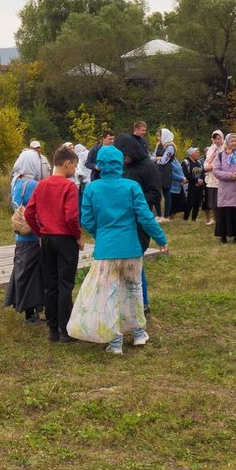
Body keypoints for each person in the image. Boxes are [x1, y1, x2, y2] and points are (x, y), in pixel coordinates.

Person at [68, 145, 168, 355]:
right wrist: (160, 237)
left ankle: (115, 341)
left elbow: (86, 219)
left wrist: (100, 235)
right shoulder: (131, 186)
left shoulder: (92, 188)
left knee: (109, 294)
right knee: (134, 289)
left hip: (106, 250)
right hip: (131, 247)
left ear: (100, 165)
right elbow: (144, 215)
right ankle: (139, 333)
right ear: (120, 162)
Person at [24, 145, 83, 344]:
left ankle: (52, 329)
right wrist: (77, 236)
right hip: (65, 238)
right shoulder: (69, 186)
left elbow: (28, 213)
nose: (75, 170)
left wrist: (40, 233)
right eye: (74, 166)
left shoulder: (40, 185)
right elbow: (72, 216)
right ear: (67, 163)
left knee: (50, 284)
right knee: (65, 284)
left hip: (47, 238)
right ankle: (66, 330)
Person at [3, 149, 44, 325]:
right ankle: (31, 312)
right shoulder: (33, 185)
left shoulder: (15, 183)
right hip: (32, 235)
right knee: (33, 275)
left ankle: (27, 310)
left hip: (20, 236)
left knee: (22, 271)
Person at [116, 121, 162, 217]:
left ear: (131, 152)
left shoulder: (149, 167)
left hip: (141, 213)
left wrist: (134, 198)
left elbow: (156, 195)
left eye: (124, 156)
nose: (123, 160)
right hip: (123, 215)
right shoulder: (123, 166)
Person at [153, 128, 176, 219]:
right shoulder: (159, 145)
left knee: (166, 193)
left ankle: (166, 216)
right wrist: (157, 158)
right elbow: (152, 157)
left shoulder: (170, 147)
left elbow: (163, 161)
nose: (158, 138)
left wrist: (157, 159)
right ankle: (158, 214)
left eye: (159, 136)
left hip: (166, 172)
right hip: (157, 171)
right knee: (157, 192)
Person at [203, 130, 224, 225]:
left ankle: (220, 218)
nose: (216, 140)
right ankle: (214, 218)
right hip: (210, 176)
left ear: (222, 138)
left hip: (219, 177)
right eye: (215, 138)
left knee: (219, 199)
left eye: (218, 138)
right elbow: (206, 160)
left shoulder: (225, 148)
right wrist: (206, 166)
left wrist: (213, 166)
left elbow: (223, 161)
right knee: (212, 200)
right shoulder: (211, 148)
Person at [182, 146, 205, 221]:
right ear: (191, 153)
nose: (198, 154)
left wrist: (201, 180)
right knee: (190, 203)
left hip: (199, 185)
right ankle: (185, 218)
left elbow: (202, 172)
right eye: (197, 152)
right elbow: (186, 174)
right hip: (191, 185)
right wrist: (196, 181)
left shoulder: (198, 162)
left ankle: (194, 219)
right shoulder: (185, 162)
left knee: (197, 203)